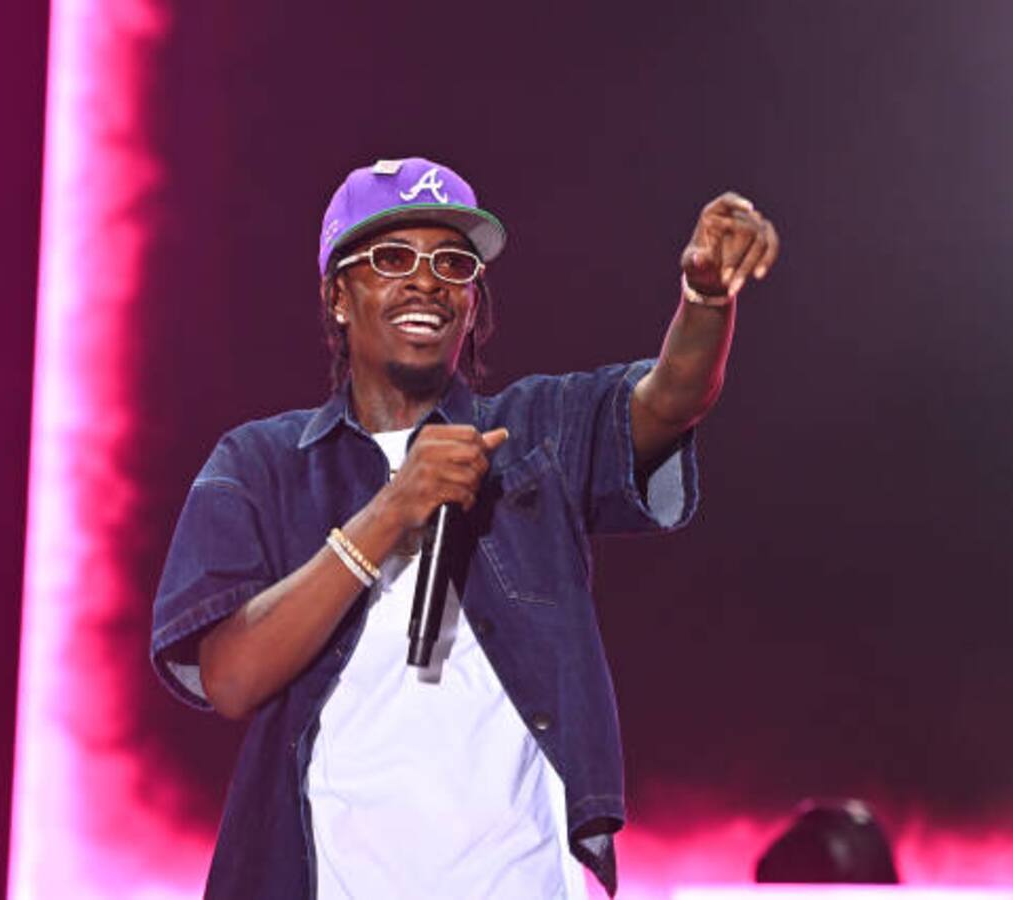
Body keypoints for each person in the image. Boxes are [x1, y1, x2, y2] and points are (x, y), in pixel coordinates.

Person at [151, 157, 779, 898]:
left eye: (453, 264)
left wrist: (705, 299)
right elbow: (229, 679)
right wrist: (389, 513)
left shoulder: (535, 434)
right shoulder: (260, 465)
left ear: (473, 304)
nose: (426, 282)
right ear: (338, 296)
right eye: (393, 258)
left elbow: (672, 398)